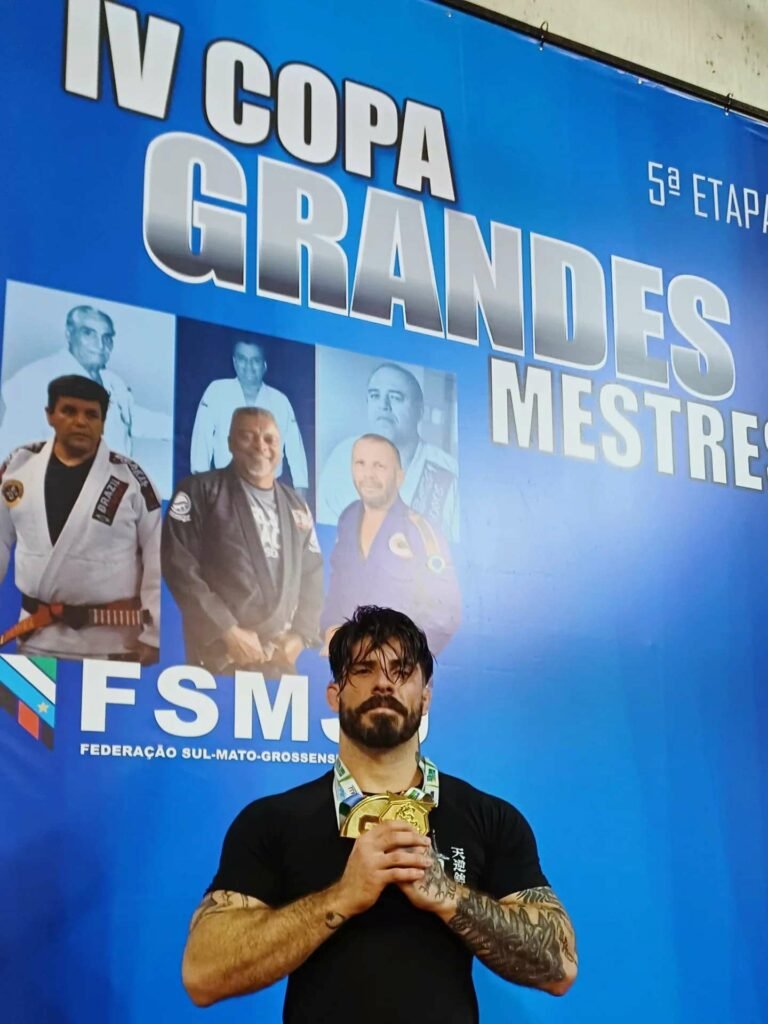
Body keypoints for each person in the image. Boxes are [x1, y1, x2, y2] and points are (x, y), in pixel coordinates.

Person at [181, 606, 578, 1021]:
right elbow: (202, 974)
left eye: (401, 671)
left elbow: (560, 967)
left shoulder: (488, 818)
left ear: (425, 698)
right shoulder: (272, 820)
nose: (384, 683)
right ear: (334, 694)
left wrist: (448, 897)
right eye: (364, 669)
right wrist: (341, 897)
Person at [0, 376, 160, 662]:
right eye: (69, 411)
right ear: (49, 415)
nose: (80, 422)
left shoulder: (132, 480)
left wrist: (154, 636)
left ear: (103, 422)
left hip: (114, 645)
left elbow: (157, 557)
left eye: (91, 415)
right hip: (36, 639)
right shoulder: (18, 466)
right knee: (29, 695)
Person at [162, 407, 322, 675]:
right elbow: (178, 564)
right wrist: (226, 630)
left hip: (279, 657)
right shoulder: (200, 490)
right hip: (220, 655)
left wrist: (300, 636)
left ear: (280, 447)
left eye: (269, 439)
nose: (260, 446)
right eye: (247, 436)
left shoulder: (296, 505)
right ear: (230, 443)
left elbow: (312, 574)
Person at [321, 434, 460, 655]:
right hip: (350, 665)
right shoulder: (348, 518)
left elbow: (445, 613)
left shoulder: (420, 530)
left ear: (399, 477)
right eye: (360, 463)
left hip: (398, 667)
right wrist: (331, 629)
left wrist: (404, 653)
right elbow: (337, 586)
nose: (368, 474)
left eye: (379, 466)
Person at [0, 304, 172, 461]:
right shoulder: (35, 379)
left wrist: (179, 428)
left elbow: (131, 419)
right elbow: (12, 451)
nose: (100, 345)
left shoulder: (112, 381)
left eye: (107, 337)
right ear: (69, 334)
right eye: (89, 333)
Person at [317, 362, 459, 539]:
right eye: (375, 396)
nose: (383, 405)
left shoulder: (448, 471)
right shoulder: (343, 457)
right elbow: (325, 536)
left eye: (395, 397)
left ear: (419, 411)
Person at [189, 336, 309, 499]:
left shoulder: (280, 401)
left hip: (268, 493)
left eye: (255, 360)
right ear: (234, 362)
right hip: (225, 490)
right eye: (242, 359)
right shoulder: (216, 391)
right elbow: (201, 444)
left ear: (264, 365)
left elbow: (296, 454)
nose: (248, 367)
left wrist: (301, 501)